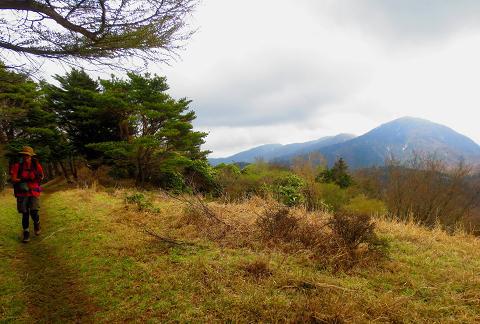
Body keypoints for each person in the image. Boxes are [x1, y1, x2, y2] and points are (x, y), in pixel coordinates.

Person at [10, 146, 45, 243]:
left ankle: (37, 224)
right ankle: (26, 234)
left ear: (31, 156)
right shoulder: (17, 166)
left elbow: (42, 176)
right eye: (24, 155)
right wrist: (23, 180)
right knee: (25, 214)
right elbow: (13, 179)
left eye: (28, 156)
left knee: (34, 211)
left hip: (34, 191)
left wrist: (36, 177)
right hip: (22, 192)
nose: (26, 157)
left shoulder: (36, 165)